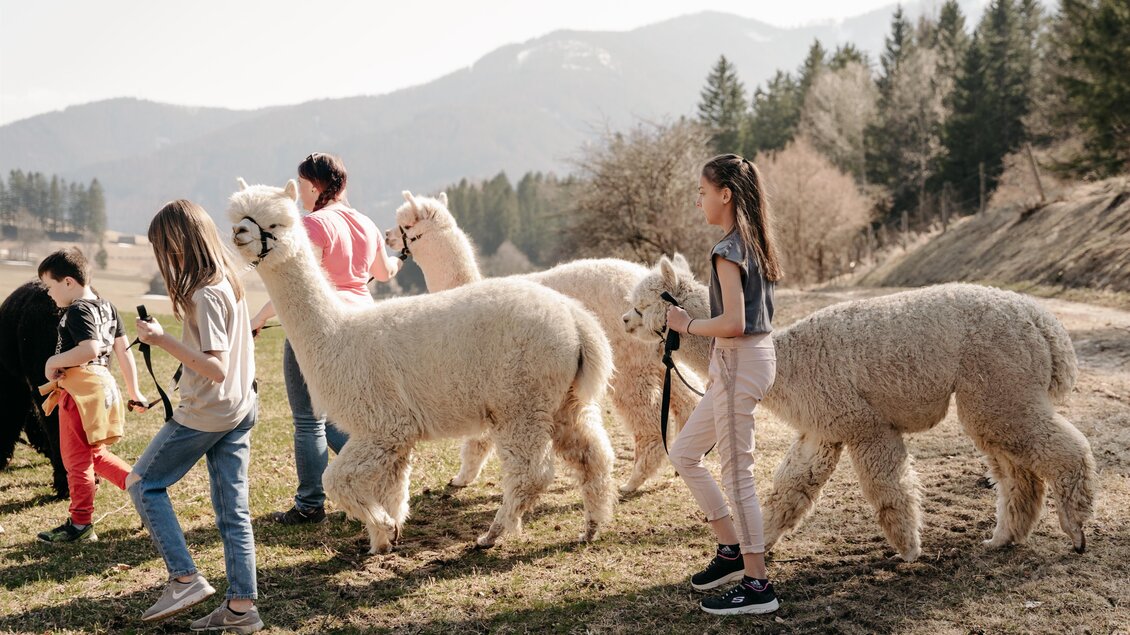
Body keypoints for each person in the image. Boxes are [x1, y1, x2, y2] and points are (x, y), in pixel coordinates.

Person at [127, 200, 262, 633]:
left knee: (143, 483)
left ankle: (184, 578)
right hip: (240, 405)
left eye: (166, 247)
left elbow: (215, 365)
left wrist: (163, 339)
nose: (167, 257)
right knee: (232, 511)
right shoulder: (229, 282)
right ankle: (242, 610)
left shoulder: (204, 293)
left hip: (208, 411)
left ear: (182, 242)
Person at [250, 152, 400, 525]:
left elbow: (300, 286)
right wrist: (401, 256)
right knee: (346, 414)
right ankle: (372, 477)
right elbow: (383, 273)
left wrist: (257, 319)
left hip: (320, 330)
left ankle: (309, 503)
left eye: (301, 185)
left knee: (308, 420)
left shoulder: (313, 225)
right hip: (365, 326)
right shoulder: (365, 222)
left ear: (315, 185)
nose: (299, 193)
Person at [664, 153, 785, 616]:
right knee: (684, 453)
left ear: (725, 194)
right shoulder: (752, 243)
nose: (699, 201)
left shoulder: (727, 251)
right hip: (743, 361)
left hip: (739, 362)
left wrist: (686, 323)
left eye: (702, 192)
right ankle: (731, 552)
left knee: (738, 475)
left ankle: (758, 588)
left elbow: (733, 322)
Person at [35, 247, 147, 544]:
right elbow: (123, 352)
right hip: (103, 387)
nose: (48, 294)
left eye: (50, 286)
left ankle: (81, 524)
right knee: (95, 455)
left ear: (69, 282)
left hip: (80, 393)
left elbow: (90, 349)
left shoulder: (77, 310)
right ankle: (146, 493)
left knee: (76, 461)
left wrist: (52, 362)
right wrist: (135, 392)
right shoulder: (107, 307)